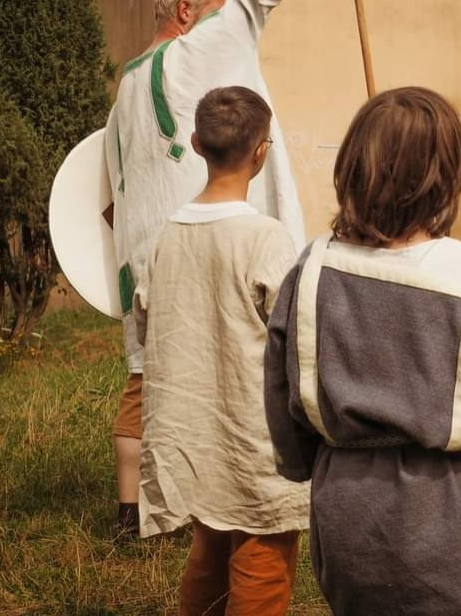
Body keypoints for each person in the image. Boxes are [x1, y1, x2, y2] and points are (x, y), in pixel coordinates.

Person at [103, 0, 352, 536]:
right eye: (212, 12)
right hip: (217, 239)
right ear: (187, 12)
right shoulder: (203, 45)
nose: (228, 23)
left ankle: (135, 513)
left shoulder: (125, 85)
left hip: (149, 255)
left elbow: (109, 186)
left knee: (151, 378)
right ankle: (244, 494)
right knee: (239, 367)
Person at [264, 87, 461, 615]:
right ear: (446, 179)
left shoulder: (312, 268)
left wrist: (298, 462)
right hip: (442, 510)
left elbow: (280, 378)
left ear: (352, 170)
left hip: (343, 511)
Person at [135, 86, 306, 615]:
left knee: (210, 548)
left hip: (193, 438)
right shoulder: (266, 239)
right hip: (255, 443)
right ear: (261, 151)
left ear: (195, 143)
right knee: (264, 556)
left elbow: (146, 324)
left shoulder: (164, 237)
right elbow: (299, 338)